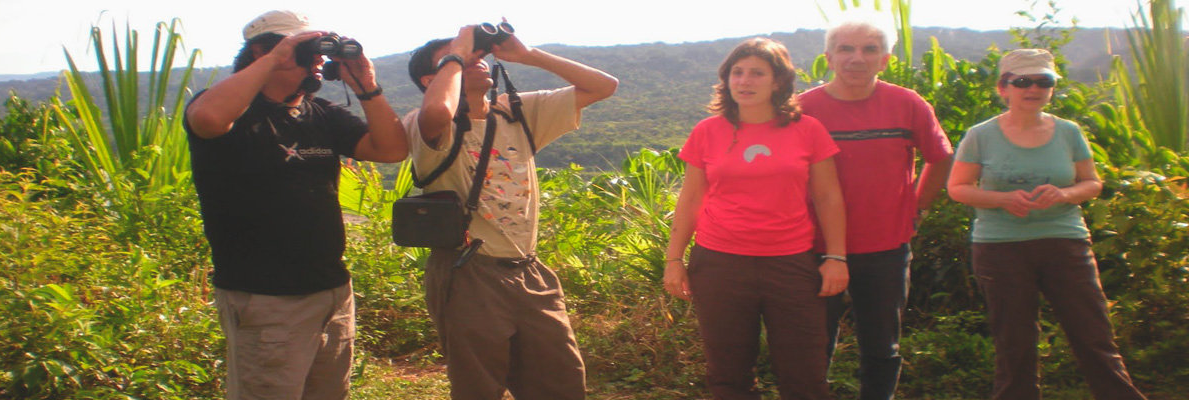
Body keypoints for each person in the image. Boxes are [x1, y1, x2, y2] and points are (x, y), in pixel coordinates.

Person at [183, 10, 408, 400]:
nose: (318, 59)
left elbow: (391, 149)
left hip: (332, 291)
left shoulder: (319, 113)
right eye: (308, 50)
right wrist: (277, 56)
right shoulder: (232, 110)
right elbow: (206, 118)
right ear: (261, 50)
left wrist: (367, 87)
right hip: (268, 298)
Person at [402, 22, 617, 400]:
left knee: (562, 382)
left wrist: (527, 55)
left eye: (476, 55)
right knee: (479, 387)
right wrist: (459, 51)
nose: (475, 60)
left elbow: (604, 86)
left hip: (529, 269)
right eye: (457, 59)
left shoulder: (517, 112)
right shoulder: (426, 125)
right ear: (430, 78)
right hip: (467, 271)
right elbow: (436, 111)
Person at [947, 48, 1148, 400]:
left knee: (1093, 334)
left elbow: (1093, 183)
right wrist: (1003, 199)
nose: (1033, 89)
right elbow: (957, 188)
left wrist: (1065, 194)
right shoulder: (981, 135)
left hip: (1064, 241)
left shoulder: (1068, 132)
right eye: (1022, 81)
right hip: (1000, 247)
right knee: (1015, 343)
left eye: (1044, 81)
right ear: (1003, 87)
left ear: (1053, 87)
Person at [662, 37, 847, 400]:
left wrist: (837, 257)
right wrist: (673, 259)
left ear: (778, 82)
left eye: (757, 73)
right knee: (728, 372)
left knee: (805, 372)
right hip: (719, 264)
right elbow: (691, 199)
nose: (744, 81)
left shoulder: (807, 129)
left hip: (791, 263)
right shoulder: (707, 131)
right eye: (737, 72)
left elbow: (828, 197)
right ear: (726, 79)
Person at [797, 18, 954, 400]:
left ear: (884, 59)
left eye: (869, 49)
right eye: (846, 49)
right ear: (828, 58)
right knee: (813, 348)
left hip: (886, 247)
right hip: (814, 246)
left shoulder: (907, 104)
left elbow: (941, 157)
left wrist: (916, 209)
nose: (857, 58)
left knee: (882, 347)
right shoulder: (803, 109)